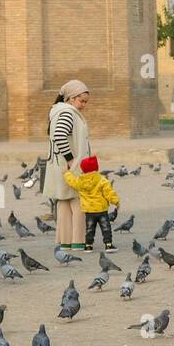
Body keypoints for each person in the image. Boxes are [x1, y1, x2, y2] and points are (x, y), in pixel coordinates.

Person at [42, 79, 92, 251]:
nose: (84, 105)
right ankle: (78, 241)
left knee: (63, 202)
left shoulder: (57, 111)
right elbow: (59, 136)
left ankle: (65, 242)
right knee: (79, 202)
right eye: (81, 101)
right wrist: (71, 159)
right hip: (70, 166)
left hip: (59, 165)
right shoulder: (68, 113)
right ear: (71, 98)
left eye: (86, 102)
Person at [63, 155, 120, 252]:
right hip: (101, 210)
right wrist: (116, 202)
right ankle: (108, 245)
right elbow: (109, 192)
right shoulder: (102, 180)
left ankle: (88, 245)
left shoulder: (81, 181)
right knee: (106, 228)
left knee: (89, 229)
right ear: (96, 168)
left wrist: (67, 173)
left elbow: (72, 182)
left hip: (89, 211)